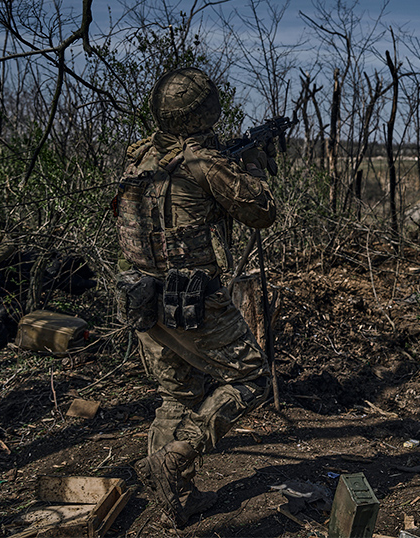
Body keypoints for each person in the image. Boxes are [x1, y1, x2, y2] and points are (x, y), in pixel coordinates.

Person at [113, 67, 276, 527]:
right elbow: (262, 213)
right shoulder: (204, 163)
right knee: (252, 380)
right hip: (194, 300)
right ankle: (175, 460)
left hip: (143, 295)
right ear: (207, 110)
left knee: (175, 395)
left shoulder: (138, 159)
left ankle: (174, 502)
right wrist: (256, 165)